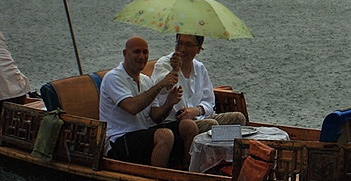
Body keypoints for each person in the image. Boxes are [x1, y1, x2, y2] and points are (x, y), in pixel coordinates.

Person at [99, 36, 199, 169]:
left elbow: (156, 117)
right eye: (136, 52)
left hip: (142, 134)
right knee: (165, 135)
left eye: (145, 52)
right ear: (125, 54)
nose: (141, 56)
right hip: (119, 140)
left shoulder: (146, 80)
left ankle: (190, 172)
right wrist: (160, 86)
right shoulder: (114, 78)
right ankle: (157, 180)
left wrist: (169, 103)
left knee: (189, 126)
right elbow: (132, 107)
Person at [151, 33, 247, 132]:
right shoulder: (164, 64)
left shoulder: (200, 68)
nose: (183, 49)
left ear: (198, 49)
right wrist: (174, 70)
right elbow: (160, 85)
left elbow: (209, 102)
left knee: (238, 118)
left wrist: (197, 110)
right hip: (173, 123)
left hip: (198, 118)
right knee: (211, 125)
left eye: (188, 45)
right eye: (180, 43)